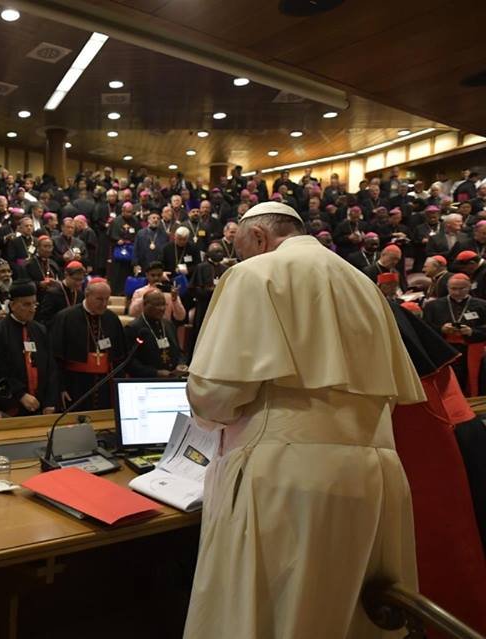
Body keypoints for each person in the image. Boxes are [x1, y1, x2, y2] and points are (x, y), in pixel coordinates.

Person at [182, 201, 425, 639]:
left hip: (288, 478)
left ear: (258, 238)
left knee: (282, 617)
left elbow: (216, 393)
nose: (239, 261)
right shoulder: (363, 283)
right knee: (351, 619)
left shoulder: (256, 273)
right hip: (376, 474)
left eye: (240, 250)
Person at [49, 278, 127, 410]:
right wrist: (60, 388)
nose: (104, 304)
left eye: (107, 299)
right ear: (87, 295)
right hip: (75, 384)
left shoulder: (111, 319)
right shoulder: (66, 317)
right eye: (99, 299)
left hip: (105, 386)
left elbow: (120, 356)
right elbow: (54, 357)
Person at [0, 280, 56, 415]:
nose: (32, 309)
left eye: (35, 304)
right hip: (13, 404)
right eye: (26, 304)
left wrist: (50, 401)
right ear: (13, 305)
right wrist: (20, 395)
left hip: (42, 405)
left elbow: (51, 367)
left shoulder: (40, 330)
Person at [423, 273, 486, 396]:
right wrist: (441, 329)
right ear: (447, 287)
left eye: (461, 289)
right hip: (443, 350)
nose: (457, 292)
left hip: (470, 350)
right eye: (453, 289)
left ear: (469, 287)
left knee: (469, 381)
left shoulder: (482, 305)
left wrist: (472, 331)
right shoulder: (433, 306)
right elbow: (425, 328)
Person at [125, 289, 186, 378]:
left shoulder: (168, 325)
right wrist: (155, 373)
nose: (161, 308)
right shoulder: (133, 328)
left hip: (171, 379)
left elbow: (179, 352)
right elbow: (129, 362)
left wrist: (181, 364)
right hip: (146, 381)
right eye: (156, 305)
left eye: (163, 304)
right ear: (144, 305)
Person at [35, 259, 86, 327]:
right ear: (66, 275)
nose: (78, 283)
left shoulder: (80, 294)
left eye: (81, 280)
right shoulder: (52, 293)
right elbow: (44, 319)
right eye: (75, 279)